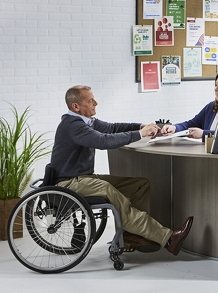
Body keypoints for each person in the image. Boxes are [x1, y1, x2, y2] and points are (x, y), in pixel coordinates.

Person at [50, 85, 193, 255]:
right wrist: (140, 134)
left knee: (140, 185)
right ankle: (168, 238)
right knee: (111, 193)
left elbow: (112, 128)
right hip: (69, 183)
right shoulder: (73, 125)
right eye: (90, 100)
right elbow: (104, 141)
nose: (96, 102)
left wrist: (143, 126)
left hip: (82, 178)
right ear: (76, 106)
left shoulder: (86, 122)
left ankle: (133, 235)